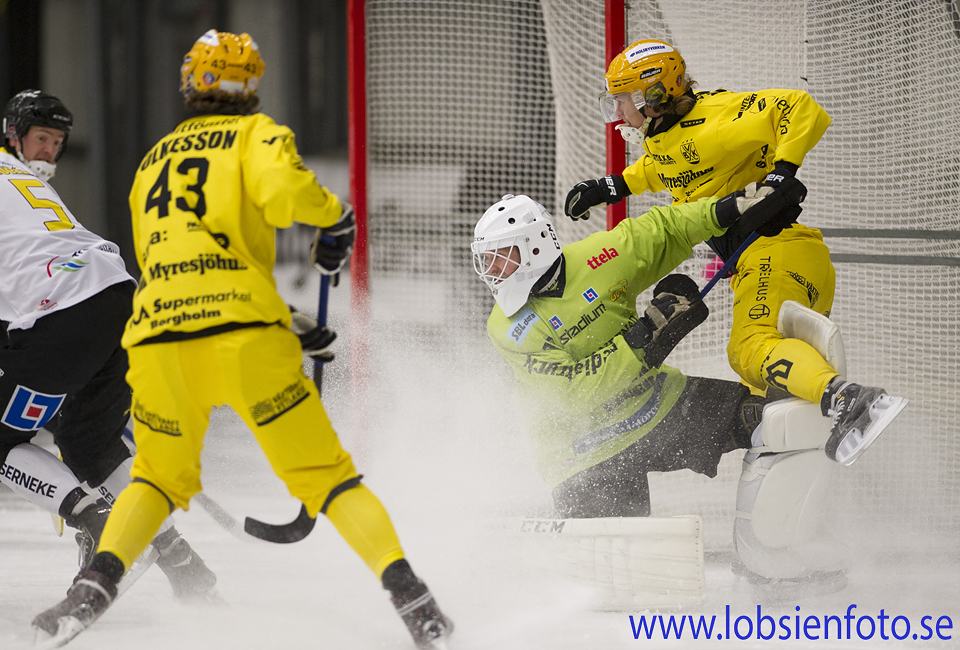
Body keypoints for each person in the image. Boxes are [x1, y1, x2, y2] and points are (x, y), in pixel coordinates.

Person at [33, 30, 453, 649]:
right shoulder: (257, 135)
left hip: (157, 342)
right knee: (329, 480)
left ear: (189, 84)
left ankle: (92, 589)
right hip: (245, 339)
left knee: (154, 478)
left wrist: (284, 318)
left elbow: (189, 265)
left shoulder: (152, 161)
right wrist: (333, 221)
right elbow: (288, 197)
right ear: (251, 86)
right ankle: (419, 608)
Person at [563, 39, 906, 467]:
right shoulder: (669, 132)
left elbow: (800, 107)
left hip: (776, 251)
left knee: (749, 346)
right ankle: (814, 437)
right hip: (777, 258)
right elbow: (669, 166)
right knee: (760, 377)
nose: (618, 114)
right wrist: (611, 186)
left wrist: (782, 177)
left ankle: (851, 400)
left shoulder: (717, 118)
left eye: (623, 101)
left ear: (653, 95)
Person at [0, 89, 219, 600]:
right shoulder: (20, 182)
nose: (48, 150)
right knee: (90, 443)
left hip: (64, 310)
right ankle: (185, 567)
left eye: (57, 141)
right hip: (119, 296)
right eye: (42, 139)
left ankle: (99, 526)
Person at [472, 189, 801, 518]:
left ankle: (779, 547)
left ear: (535, 245)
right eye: (486, 259)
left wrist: (734, 209)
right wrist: (648, 335)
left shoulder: (597, 257)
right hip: (581, 455)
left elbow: (665, 228)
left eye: (499, 255)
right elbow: (570, 393)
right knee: (617, 559)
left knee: (772, 421)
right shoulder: (507, 327)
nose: (490, 269)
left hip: (651, 404)